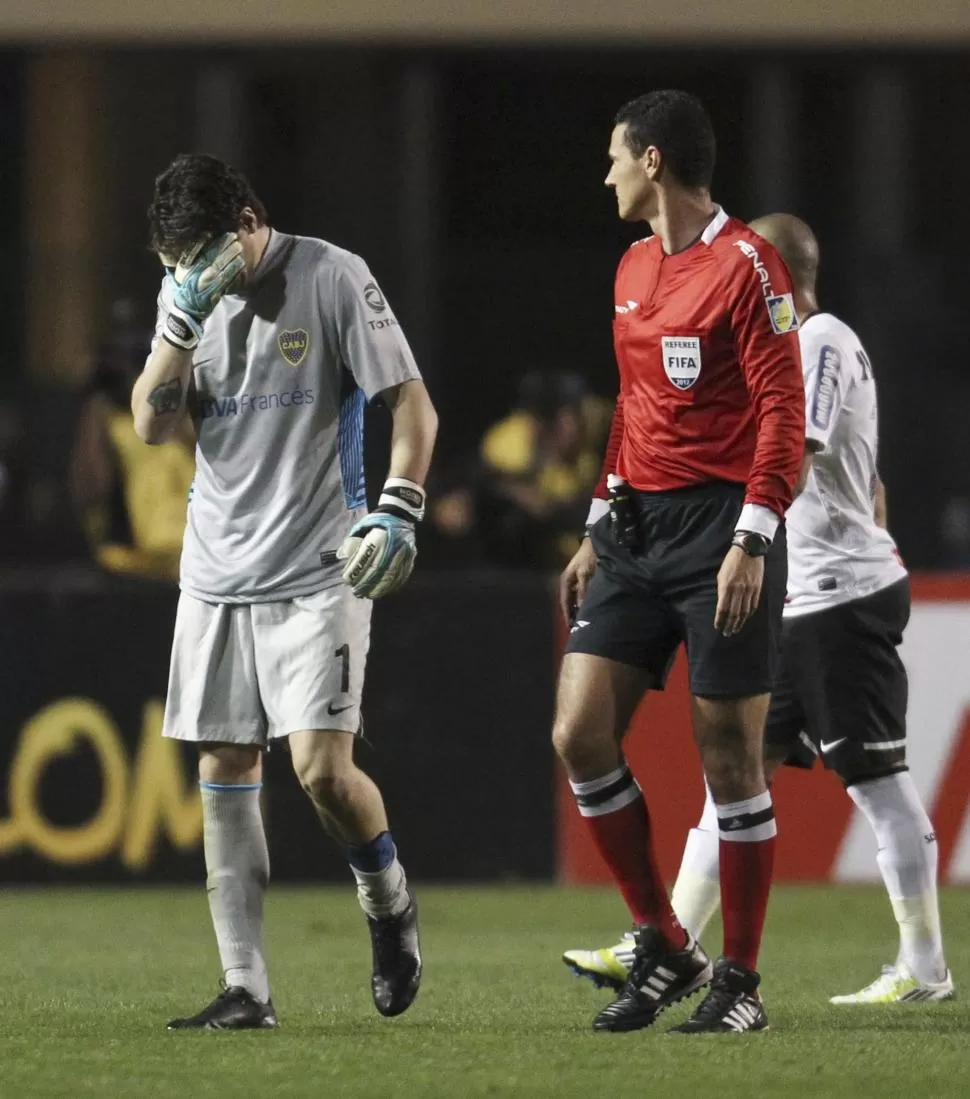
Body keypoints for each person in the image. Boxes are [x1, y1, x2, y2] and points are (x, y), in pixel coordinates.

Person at [563, 214, 954, 1006]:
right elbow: (866, 481)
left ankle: (926, 967)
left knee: (875, 778)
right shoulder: (808, 345)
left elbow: (795, 456)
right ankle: (665, 940)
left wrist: (705, 497)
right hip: (798, 588)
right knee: (733, 783)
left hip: (834, 592)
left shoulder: (816, 342)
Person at [132, 153, 438, 1029]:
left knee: (321, 771)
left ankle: (388, 905)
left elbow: (413, 408)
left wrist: (400, 507)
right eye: (174, 264)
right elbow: (151, 424)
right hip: (216, 569)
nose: (188, 274)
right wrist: (178, 325)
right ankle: (246, 986)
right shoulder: (184, 297)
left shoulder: (332, 275)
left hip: (318, 565)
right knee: (223, 764)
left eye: (199, 256)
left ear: (247, 225)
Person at [552, 92, 804, 1035]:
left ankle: (741, 980)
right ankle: (664, 939)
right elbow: (632, 404)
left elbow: (783, 409)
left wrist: (754, 534)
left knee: (731, 758)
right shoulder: (629, 265)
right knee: (578, 732)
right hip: (633, 527)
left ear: (653, 161)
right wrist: (591, 523)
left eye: (615, 157)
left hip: (720, 532)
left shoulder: (748, 266)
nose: (606, 173)